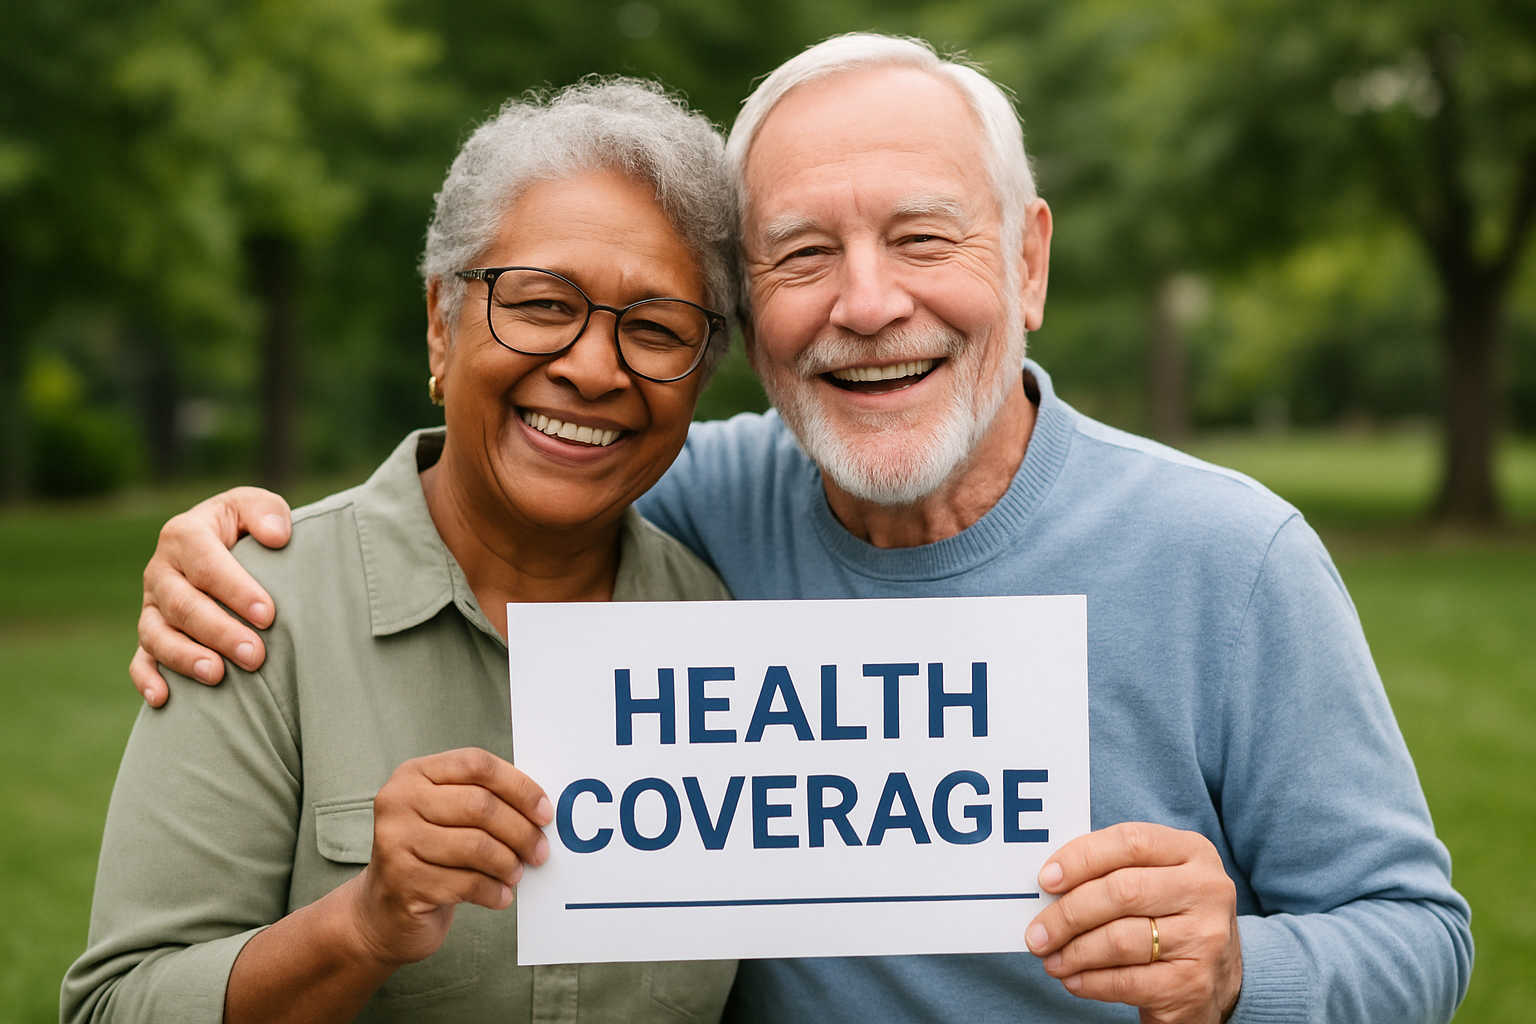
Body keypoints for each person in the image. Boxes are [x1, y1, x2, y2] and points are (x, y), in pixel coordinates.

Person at [128, 34, 1473, 1024]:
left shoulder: (1230, 559)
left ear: (1030, 261)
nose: (869, 304)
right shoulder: (700, 499)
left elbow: (1421, 934)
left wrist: (1247, 969)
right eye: (802, 254)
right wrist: (232, 543)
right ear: (752, 318)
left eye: (923, 236)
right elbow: (518, 461)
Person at [64, 80, 743, 1023]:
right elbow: (114, 1006)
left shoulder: (731, 633)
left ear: (699, 377)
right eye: (543, 304)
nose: (593, 368)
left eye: (658, 329)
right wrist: (364, 925)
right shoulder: (255, 609)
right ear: (440, 320)